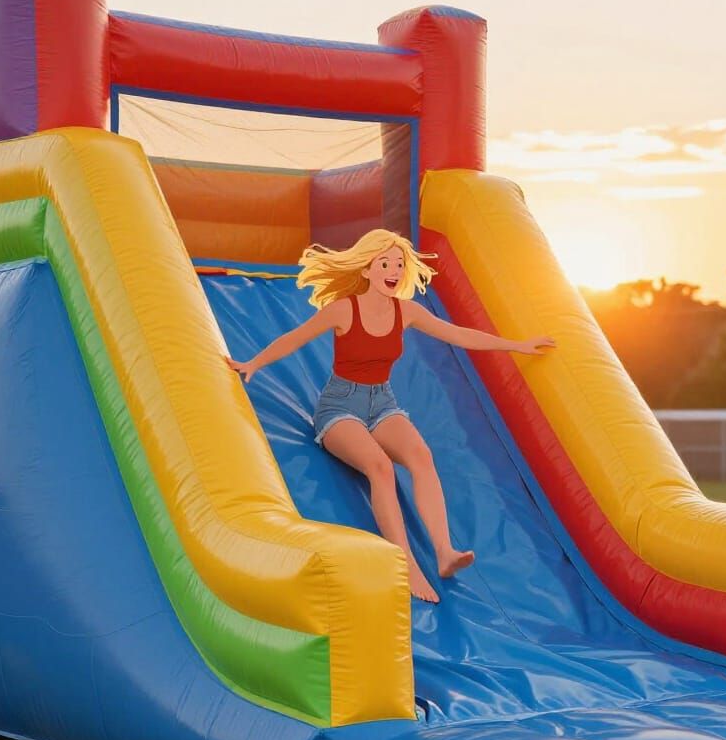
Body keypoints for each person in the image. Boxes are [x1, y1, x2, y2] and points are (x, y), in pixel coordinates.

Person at [226, 229, 556, 603]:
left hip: (382, 403)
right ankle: (407, 563)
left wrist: (516, 345)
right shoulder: (343, 309)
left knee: (422, 456)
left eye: (399, 263)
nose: (394, 270)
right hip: (340, 407)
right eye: (385, 263)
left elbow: (459, 335)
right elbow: (294, 338)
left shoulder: (407, 312)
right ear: (366, 269)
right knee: (380, 467)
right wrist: (254, 363)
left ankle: (444, 552)